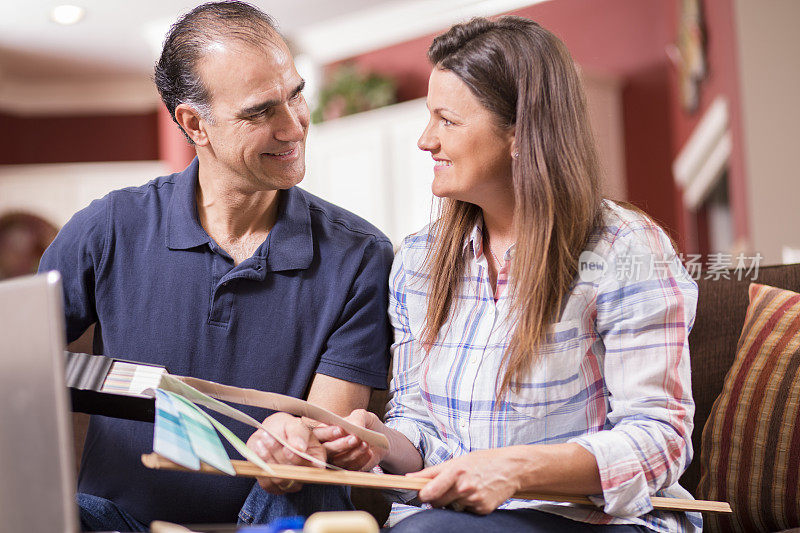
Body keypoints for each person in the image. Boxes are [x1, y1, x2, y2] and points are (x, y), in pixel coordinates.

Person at [315, 17, 701, 533]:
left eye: (447, 120)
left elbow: (660, 437)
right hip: (450, 521)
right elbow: (422, 425)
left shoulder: (624, 248)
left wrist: (513, 470)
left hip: (590, 520)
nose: (425, 140)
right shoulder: (418, 261)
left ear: (520, 134)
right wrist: (380, 441)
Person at [38, 2, 393, 530]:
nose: (293, 126)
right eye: (260, 111)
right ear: (193, 124)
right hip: (118, 521)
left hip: (276, 514)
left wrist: (299, 450)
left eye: (295, 95)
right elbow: (14, 363)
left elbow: (324, 434)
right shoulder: (108, 228)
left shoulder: (360, 255)